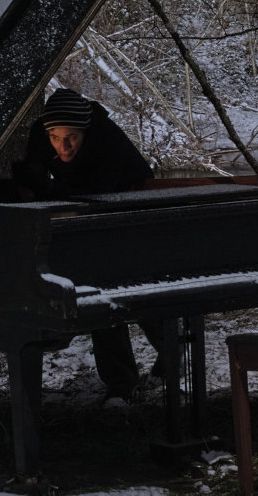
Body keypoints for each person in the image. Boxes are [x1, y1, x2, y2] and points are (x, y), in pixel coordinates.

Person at [13, 88, 158, 400]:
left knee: (138, 289)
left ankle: (169, 358)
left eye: (71, 138)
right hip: (81, 218)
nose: (62, 147)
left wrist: (48, 187)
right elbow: (33, 175)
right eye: (55, 137)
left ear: (85, 131)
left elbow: (97, 192)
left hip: (133, 209)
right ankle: (122, 381)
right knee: (100, 293)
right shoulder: (43, 133)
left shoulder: (108, 139)